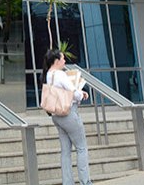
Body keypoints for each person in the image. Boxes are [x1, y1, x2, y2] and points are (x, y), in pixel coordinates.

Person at [43, 48, 92, 185]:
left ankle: (67, 182)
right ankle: (85, 181)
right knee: (81, 148)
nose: (64, 61)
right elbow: (73, 93)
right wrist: (82, 94)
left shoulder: (49, 74)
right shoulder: (60, 75)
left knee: (65, 151)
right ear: (57, 61)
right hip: (68, 113)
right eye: (63, 58)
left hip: (56, 115)